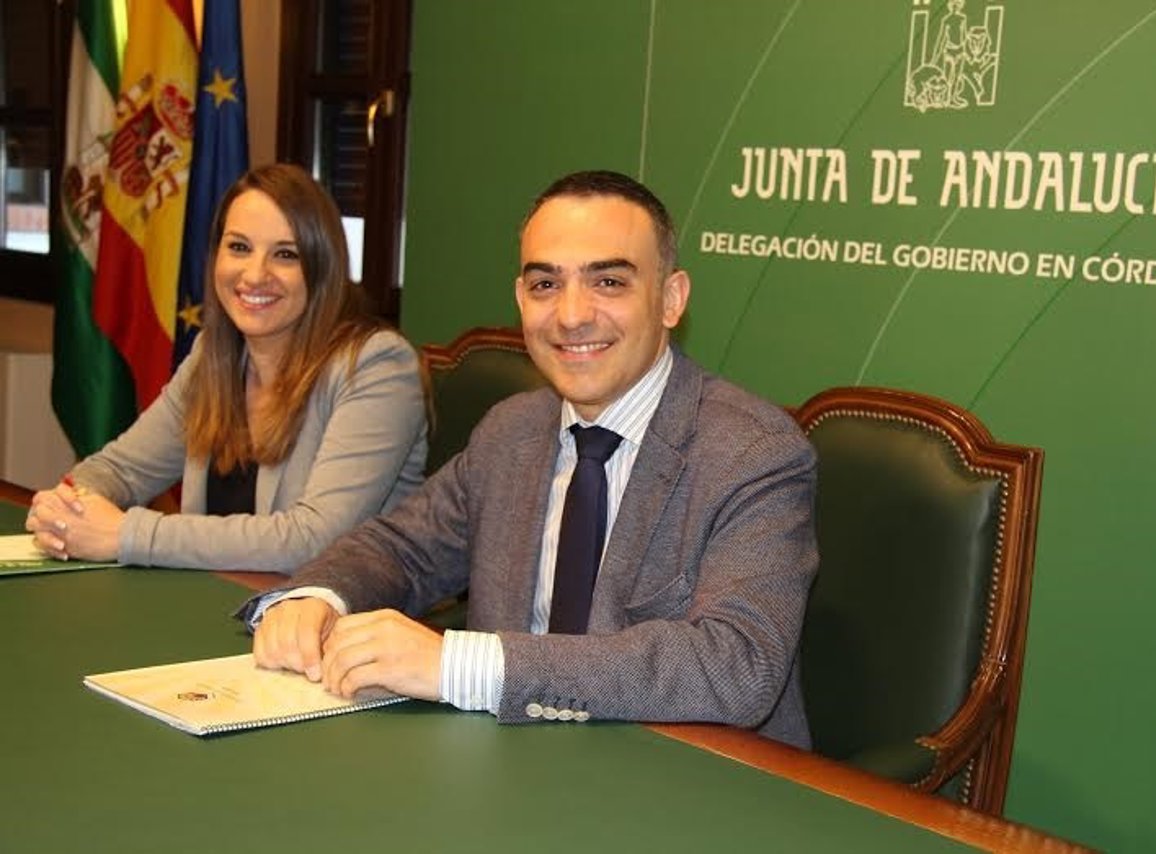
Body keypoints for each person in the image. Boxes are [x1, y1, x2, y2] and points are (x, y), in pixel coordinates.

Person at [248, 170, 818, 746]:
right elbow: (403, 548)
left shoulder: (754, 453)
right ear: (521, 299)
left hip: (690, 789)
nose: (571, 315)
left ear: (671, 299)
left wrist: (460, 665)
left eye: (609, 282)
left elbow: (738, 665)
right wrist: (316, 597)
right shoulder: (512, 430)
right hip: (510, 772)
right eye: (546, 285)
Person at [25, 163, 428, 573]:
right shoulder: (215, 357)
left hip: (334, 622)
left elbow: (315, 539)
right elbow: (121, 470)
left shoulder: (377, 366)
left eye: (285, 255)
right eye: (238, 247)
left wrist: (128, 534)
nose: (255, 275)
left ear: (322, 267)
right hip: (216, 605)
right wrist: (67, 509)